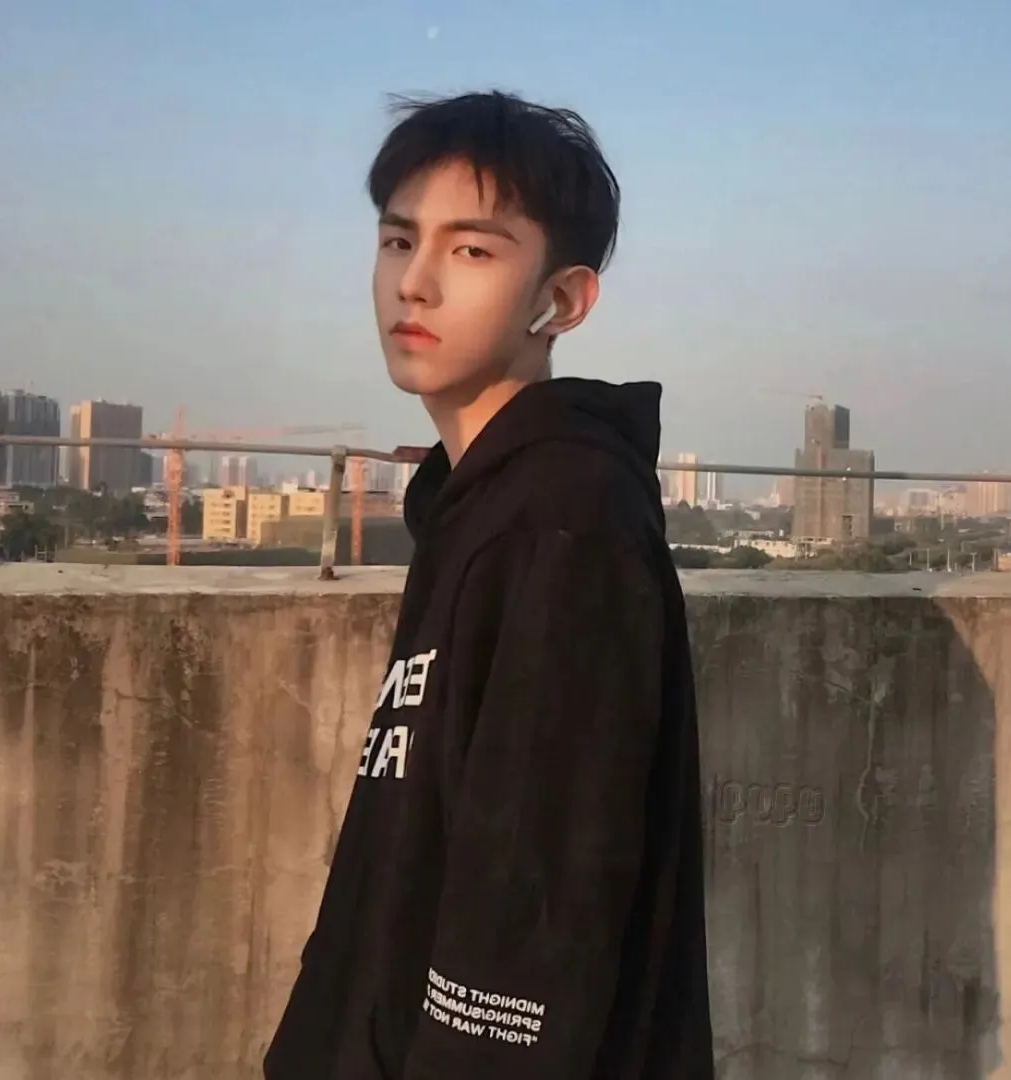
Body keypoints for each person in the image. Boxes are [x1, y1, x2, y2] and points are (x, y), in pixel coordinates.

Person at [265, 90, 713, 1079]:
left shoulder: (567, 518)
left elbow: (534, 918)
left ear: (563, 300)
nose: (413, 283)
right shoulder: (471, 505)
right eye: (397, 241)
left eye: (471, 250)